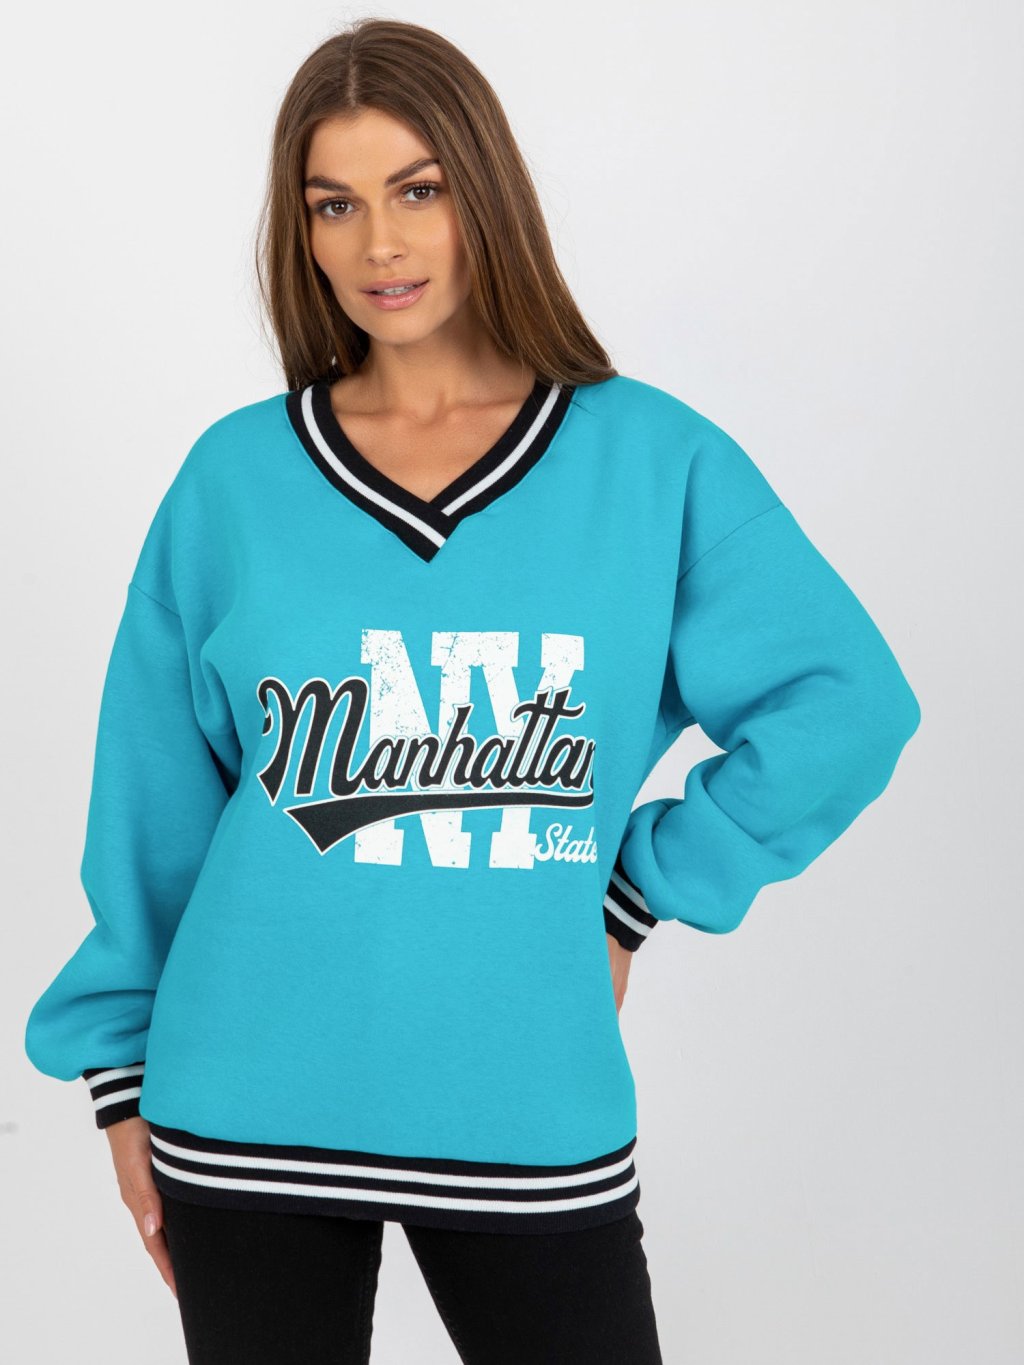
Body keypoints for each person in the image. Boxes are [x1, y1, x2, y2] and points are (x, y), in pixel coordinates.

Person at [23, 17, 921, 1365]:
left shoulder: (650, 461)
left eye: (418, 189)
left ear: (484, 193)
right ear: (300, 231)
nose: (379, 244)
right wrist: (118, 1080)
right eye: (335, 203)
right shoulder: (235, 480)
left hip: (526, 1113)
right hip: (242, 1108)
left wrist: (638, 892)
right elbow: (152, 805)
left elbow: (845, 702)